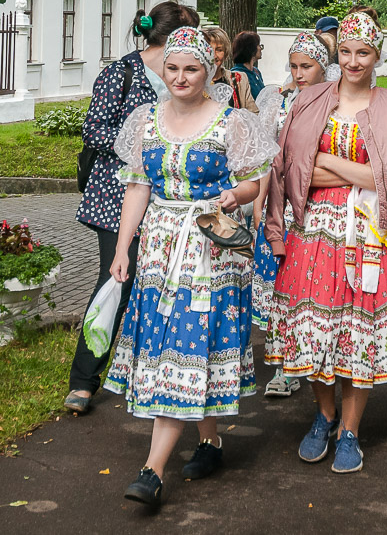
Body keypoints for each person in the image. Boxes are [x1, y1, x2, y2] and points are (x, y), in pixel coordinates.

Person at [104, 26, 277, 508]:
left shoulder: (232, 122)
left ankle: (152, 470)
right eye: (173, 67)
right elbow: (137, 187)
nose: (181, 77)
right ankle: (211, 441)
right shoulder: (144, 120)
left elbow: (252, 183)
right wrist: (123, 250)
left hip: (209, 248)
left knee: (189, 339)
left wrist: (233, 194)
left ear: (210, 71)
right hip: (159, 246)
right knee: (175, 343)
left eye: (192, 68)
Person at [265, 12, 387, 474]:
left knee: (357, 331)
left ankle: (350, 430)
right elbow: (289, 169)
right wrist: (361, 172)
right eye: (346, 51)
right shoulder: (309, 101)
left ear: (377, 55)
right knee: (315, 329)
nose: (353, 60)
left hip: (370, 234)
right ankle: (324, 415)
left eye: (363, 52)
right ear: (336, 52)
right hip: (312, 236)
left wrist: (328, 161)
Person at [65, 0, 200, 416]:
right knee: (118, 279)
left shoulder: (189, 74)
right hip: (118, 196)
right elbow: (93, 129)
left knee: (165, 283)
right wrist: (142, 146)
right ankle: (84, 382)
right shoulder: (121, 72)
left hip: (173, 199)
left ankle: (151, 373)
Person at [250, 31, 330, 399]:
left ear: (322, 67)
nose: (299, 73)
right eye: (294, 66)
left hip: (318, 206)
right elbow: (269, 160)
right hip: (281, 207)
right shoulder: (279, 106)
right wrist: (260, 202)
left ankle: (316, 354)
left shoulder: (333, 105)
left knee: (309, 285)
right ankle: (284, 366)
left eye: (307, 66)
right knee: (280, 286)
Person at [202, 25, 251, 109]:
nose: (214, 56)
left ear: (226, 53)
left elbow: (252, 114)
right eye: (209, 49)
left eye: (219, 50)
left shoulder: (239, 79)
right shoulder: (192, 82)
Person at [231, 30, 266, 100]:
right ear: (251, 49)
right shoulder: (236, 75)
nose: (261, 49)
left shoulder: (256, 71)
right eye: (259, 45)